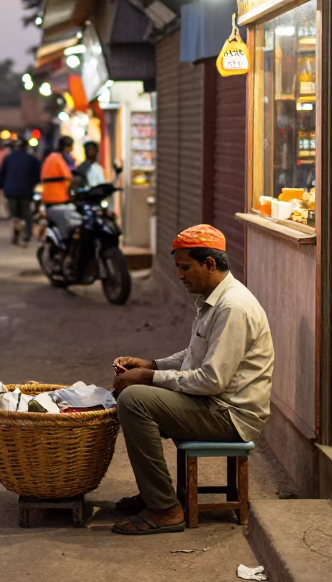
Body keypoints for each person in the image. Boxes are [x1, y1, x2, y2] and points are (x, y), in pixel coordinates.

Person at [110, 225, 274, 536]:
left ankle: (164, 510)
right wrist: (152, 364)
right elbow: (195, 355)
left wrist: (149, 377)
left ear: (210, 265)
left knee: (134, 400)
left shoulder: (233, 308)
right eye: (178, 268)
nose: (180, 276)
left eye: (186, 268)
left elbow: (211, 380)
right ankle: (154, 494)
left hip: (230, 415)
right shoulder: (214, 299)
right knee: (132, 394)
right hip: (212, 404)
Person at [0, 138, 41, 243]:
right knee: (26, 214)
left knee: (14, 214)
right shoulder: (31, 159)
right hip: (26, 191)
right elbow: (37, 175)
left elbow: (1, 174)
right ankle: (27, 234)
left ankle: (16, 234)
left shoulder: (8, 158)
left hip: (11, 191)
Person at [40, 136, 77, 238]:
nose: (72, 150)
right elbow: (69, 177)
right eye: (70, 147)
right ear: (66, 147)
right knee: (73, 222)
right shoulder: (60, 160)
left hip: (51, 198)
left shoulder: (53, 157)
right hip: (58, 199)